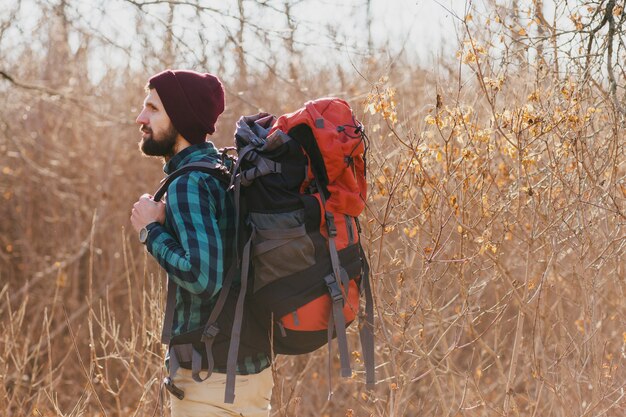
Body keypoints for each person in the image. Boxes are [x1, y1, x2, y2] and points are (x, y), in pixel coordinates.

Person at [130, 69, 273, 417]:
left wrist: (151, 231)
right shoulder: (223, 169)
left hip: (209, 382)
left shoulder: (188, 182)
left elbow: (203, 276)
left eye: (152, 108)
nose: (140, 118)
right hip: (254, 375)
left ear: (179, 118)